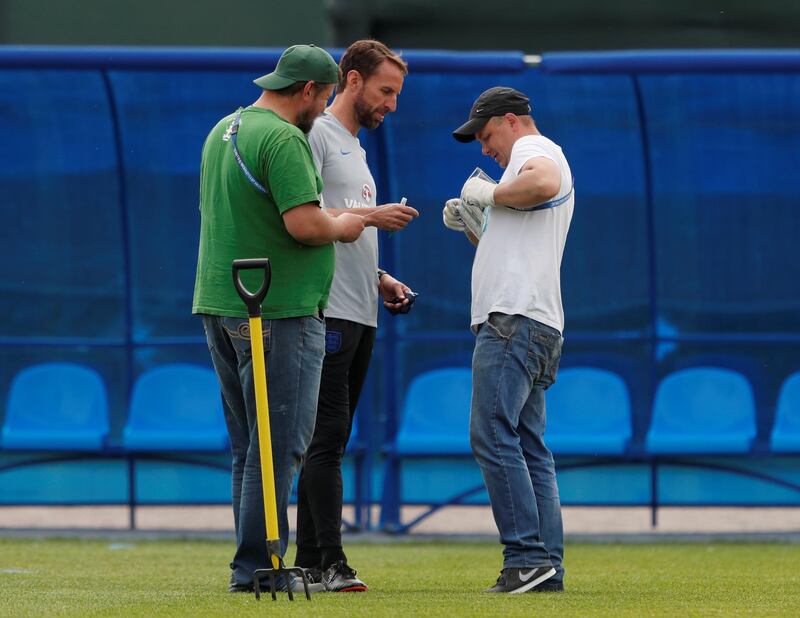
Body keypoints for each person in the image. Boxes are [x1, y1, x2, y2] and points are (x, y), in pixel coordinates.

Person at [192, 44, 367, 594]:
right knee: (281, 444)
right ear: (310, 91)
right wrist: (349, 224)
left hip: (221, 304)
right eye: (325, 96)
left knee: (249, 447)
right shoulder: (286, 138)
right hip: (278, 310)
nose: (324, 108)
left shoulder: (224, 129)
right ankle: (259, 566)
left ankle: (253, 562)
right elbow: (305, 225)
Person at [294, 39, 419, 593]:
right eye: (385, 91)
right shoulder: (317, 135)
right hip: (327, 313)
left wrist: (381, 279)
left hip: (359, 309)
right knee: (326, 438)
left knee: (331, 439)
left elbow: (341, 234)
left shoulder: (355, 147)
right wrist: (373, 215)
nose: (391, 104)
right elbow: (305, 217)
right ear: (351, 80)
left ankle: (309, 560)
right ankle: (330, 564)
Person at [444, 86, 574, 594]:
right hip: (536, 320)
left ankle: (525, 558)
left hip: (513, 321)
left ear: (512, 120)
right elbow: (523, 228)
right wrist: (478, 224)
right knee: (528, 446)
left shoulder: (533, 151)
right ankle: (545, 567)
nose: (484, 147)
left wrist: (489, 194)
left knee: (491, 433)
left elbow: (539, 184)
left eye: (486, 133)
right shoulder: (528, 158)